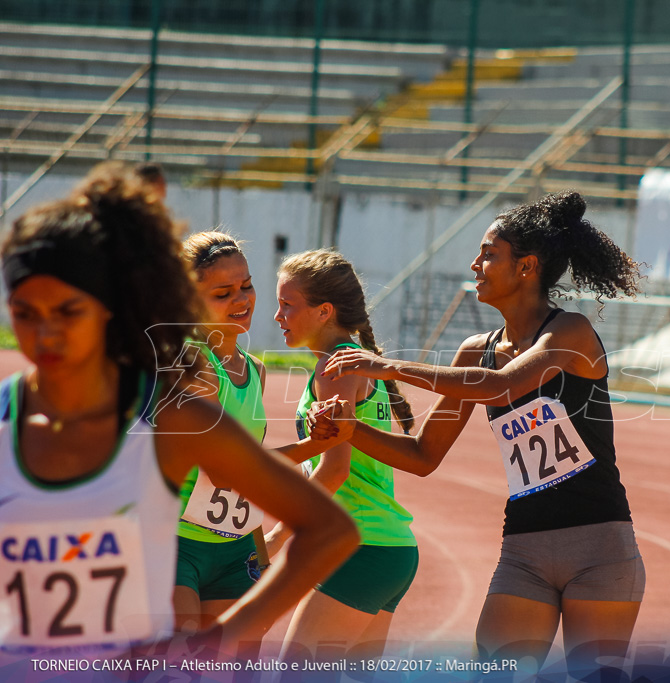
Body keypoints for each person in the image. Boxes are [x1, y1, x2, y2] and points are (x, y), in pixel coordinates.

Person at [0, 162, 358, 665]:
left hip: (226, 551)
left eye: (68, 312)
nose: (45, 336)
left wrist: (236, 622)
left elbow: (327, 528)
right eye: (24, 312)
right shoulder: (13, 418)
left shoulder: (182, 411)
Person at [322, 191, 646, 672]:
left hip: (599, 548)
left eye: (489, 254)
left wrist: (389, 367)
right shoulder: (477, 351)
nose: (475, 264)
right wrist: (344, 430)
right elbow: (422, 454)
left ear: (527, 267)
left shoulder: (569, 334)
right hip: (524, 551)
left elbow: (501, 387)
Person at [173, 231, 349, 636]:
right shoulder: (190, 362)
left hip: (235, 548)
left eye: (247, 286)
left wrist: (257, 550)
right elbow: (226, 471)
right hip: (178, 545)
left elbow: (250, 467)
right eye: (223, 293)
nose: (242, 299)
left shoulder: (255, 369)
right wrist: (315, 445)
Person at [271, 249, 418, 661]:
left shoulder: (335, 367)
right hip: (388, 548)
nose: (278, 316)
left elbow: (334, 470)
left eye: (287, 305)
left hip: (360, 547)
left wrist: (280, 535)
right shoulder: (348, 361)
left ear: (324, 312)